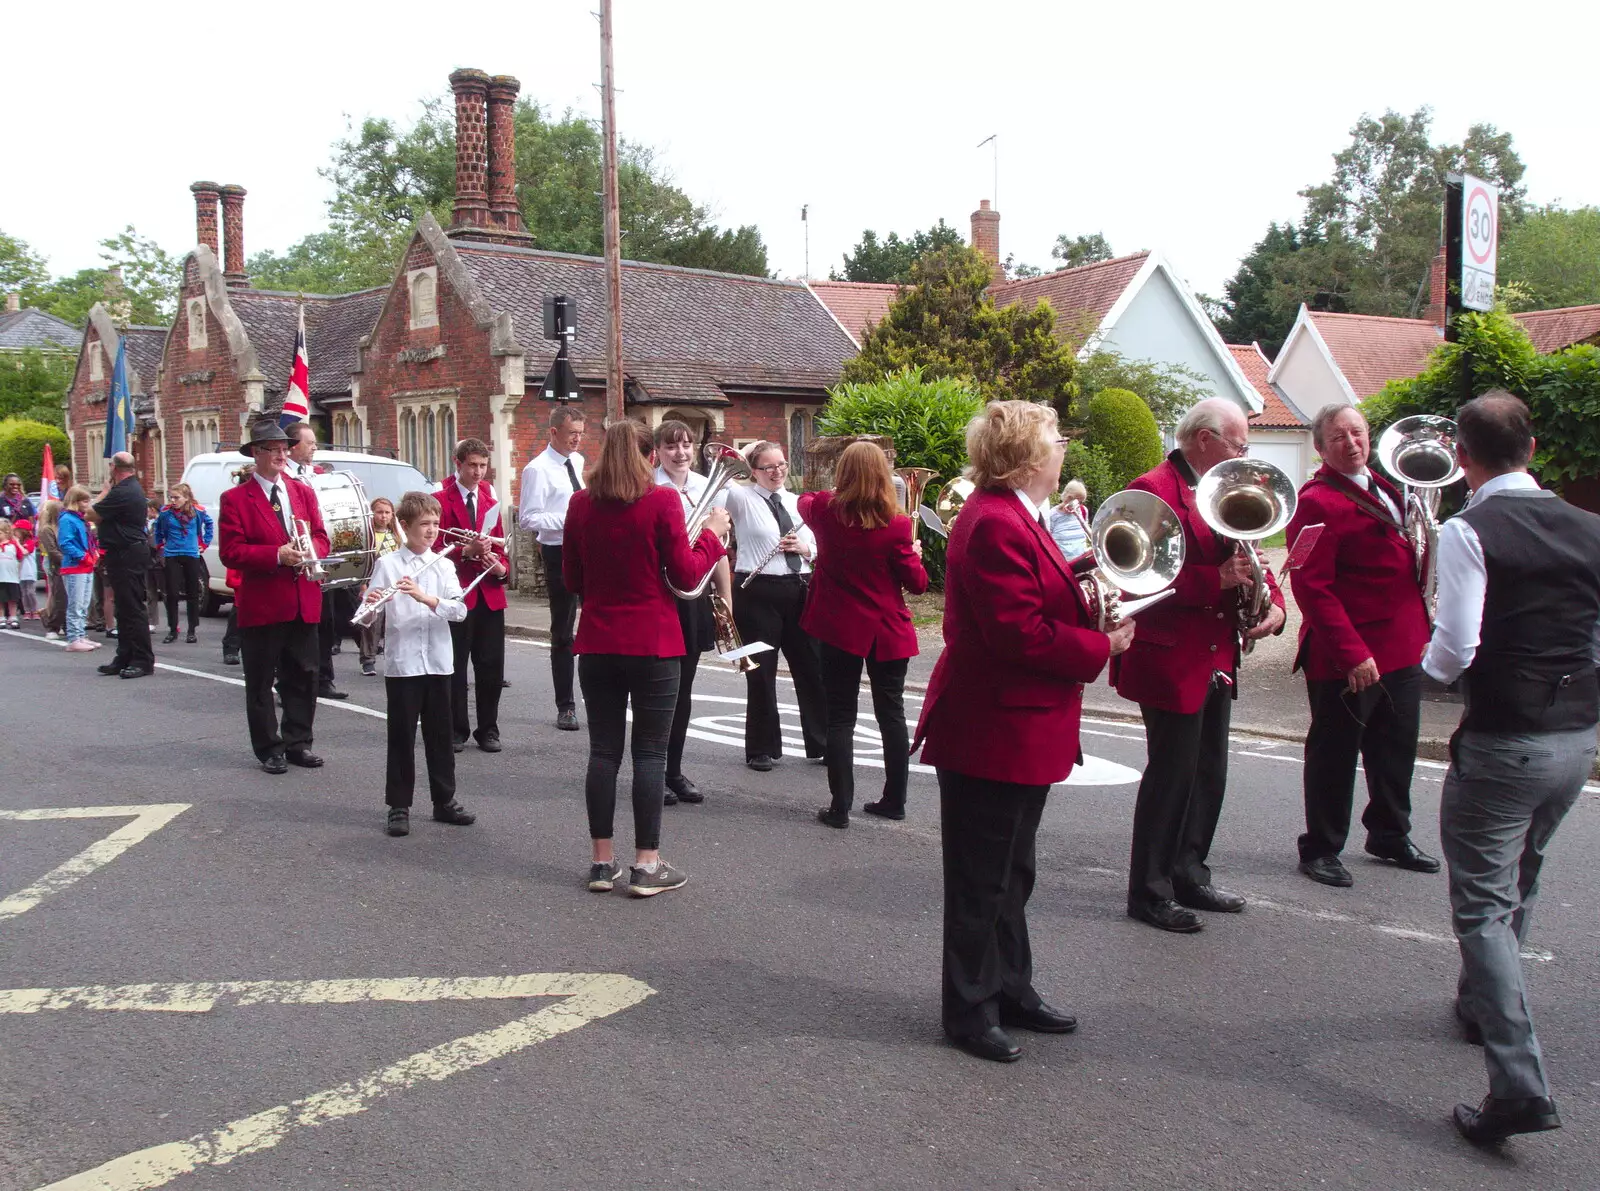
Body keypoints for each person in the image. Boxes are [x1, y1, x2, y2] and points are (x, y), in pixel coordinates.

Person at [914, 401, 1135, 1063]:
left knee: (1013, 872)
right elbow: (1018, 633)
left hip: (1020, 722)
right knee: (982, 879)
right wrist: (1101, 644)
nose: (1064, 446)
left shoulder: (1024, 515)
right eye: (1055, 439)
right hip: (992, 725)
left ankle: (1010, 986)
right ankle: (969, 1007)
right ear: (1028, 457)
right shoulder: (993, 523)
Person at [1419, 392, 1600, 1147]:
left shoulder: (1470, 528)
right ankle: (1482, 1003)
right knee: (1524, 870)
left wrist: (1420, 677)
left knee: (1482, 908)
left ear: (1463, 456)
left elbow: (1457, 645)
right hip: (1576, 737)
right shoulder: (1592, 528)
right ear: (1532, 447)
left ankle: (1519, 1085)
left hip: (1503, 738)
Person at [1114, 398, 1286, 933]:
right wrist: (1217, 582)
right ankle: (1149, 890)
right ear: (1205, 439)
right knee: (1171, 775)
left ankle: (1190, 871)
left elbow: (1252, 553)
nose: (1244, 455)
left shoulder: (1227, 487)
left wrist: (1274, 604)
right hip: (1170, 656)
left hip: (1217, 653)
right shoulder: (1152, 490)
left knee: (1209, 772)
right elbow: (1139, 581)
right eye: (1238, 445)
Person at [562, 420, 727, 898]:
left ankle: (601, 864)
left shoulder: (580, 504)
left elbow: (572, 579)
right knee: (650, 754)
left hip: (596, 642)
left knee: (603, 753)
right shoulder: (662, 500)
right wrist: (713, 534)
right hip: (654, 642)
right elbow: (688, 571)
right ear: (649, 456)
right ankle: (646, 865)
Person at [1284, 404, 1438, 888]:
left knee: (1396, 749)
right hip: (1348, 654)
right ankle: (1321, 847)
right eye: (1338, 438)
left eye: (1357, 433)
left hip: (1401, 646)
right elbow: (1311, 585)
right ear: (1320, 448)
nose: (1351, 443)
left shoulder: (1387, 486)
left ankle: (1390, 833)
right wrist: (1352, 652)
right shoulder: (1316, 501)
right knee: (1334, 753)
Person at [800, 441, 929, 827]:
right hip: (885, 631)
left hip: (838, 628)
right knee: (891, 716)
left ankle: (840, 807)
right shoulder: (898, 525)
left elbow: (803, 499)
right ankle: (895, 800)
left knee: (840, 717)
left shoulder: (823, 508)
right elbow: (919, 585)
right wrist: (915, 555)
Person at [218, 419, 330, 775]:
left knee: (304, 675)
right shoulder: (235, 498)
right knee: (261, 680)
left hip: (302, 597)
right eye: (274, 449)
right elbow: (231, 552)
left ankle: (299, 742)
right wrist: (275, 555)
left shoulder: (302, 491)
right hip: (263, 602)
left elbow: (322, 536)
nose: (283, 454)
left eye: (285, 448)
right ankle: (269, 748)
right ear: (256, 454)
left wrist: (311, 550)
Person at [363, 490, 475, 837]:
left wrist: (426, 598)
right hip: (404, 665)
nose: (431, 530)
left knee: (440, 736)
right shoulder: (389, 564)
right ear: (406, 525)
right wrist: (370, 602)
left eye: (435, 524)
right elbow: (368, 620)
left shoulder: (443, 565)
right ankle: (398, 806)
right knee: (401, 736)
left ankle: (445, 801)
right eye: (424, 524)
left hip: (439, 663)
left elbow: (460, 610)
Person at [720, 441, 827, 771]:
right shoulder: (740, 497)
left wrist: (805, 547)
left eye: (781, 464)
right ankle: (760, 748)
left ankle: (821, 742)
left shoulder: (798, 503)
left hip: (800, 588)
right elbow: (718, 480)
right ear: (754, 471)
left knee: (812, 667)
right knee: (761, 672)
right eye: (768, 466)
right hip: (757, 592)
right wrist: (747, 452)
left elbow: (821, 549)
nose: (778, 471)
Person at [653, 419, 734, 805]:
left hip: (694, 598)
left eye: (686, 445)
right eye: (672, 447)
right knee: (660, 690)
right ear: (659, 451)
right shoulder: (650, 487)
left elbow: (716, 548)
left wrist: (726, 599)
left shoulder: (709, 488)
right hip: (663, 596)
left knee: (683, 691)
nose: (681, 453)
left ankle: (674, 771)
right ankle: (652, 772)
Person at [437, 438, 510, 753]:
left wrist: (500, 569)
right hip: (457, 595)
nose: (479, 472)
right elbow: (433, 551)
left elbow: (501, 549)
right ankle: (456, 730)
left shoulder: (490, 500)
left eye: (483, 466)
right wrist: (465, 552)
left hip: (489, 594)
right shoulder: (440, 499)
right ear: (458, 464)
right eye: (472, 466)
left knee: (491, 667)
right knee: (455, 667)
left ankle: (488, 729)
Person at [519, 406, 586, 730]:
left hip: (587, 550)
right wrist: (571, 520)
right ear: (554, 432)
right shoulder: (537, 469)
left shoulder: (579, 462)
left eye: (580, 433)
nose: (577, 439)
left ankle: (598, 695)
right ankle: (566, 705)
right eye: (572, 432)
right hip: (557, 550)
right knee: (563, 630)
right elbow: (528, 518)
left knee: (596, 623)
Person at [284, 422, 347, 700]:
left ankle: (324, 678)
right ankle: (288, 680)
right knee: (294, 627)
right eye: (310, 443)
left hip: (321, 553)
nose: (314, 448)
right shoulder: (283, 477)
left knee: (325, 619)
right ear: (294, 446)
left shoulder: (317, 475)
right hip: (293, 558)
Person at [92, 452, 155, 679]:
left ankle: (142, 660)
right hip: (122, 553)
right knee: (123, 608)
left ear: (113, 468)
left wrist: (105, 490)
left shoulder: (123, 491)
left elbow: (92, 513)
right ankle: (125, 655)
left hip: (128, 553)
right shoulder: (129, 488)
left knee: (132, 607)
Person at [152, 483, 214, 645]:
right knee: (172, 593)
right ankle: (173, 629)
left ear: (186, 497)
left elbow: (209, 524)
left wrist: (205, 543)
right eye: (171, 497)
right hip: (172, 553)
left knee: (193, 593)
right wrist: (160, 544)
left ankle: (192, 630)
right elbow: (157, 528)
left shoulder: (197, 511)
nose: (173, 501)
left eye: (177, 497)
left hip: (191, 553)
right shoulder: (166, 513)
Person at [358, 497, 399, 677]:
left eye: (387, 512)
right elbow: (362, 563)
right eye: (379, 512)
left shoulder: (397, 536)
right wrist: (363, 585)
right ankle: (368, 659)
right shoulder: (367, 535)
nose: (383, 516)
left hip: (393, 584)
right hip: (373, 582)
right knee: (372, 622)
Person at [57, 487, 101, 653]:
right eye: (84, 501)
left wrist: (93, 553)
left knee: (83, 603)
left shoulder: (80, 519)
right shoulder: (68, 519)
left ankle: (80, 634)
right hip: (75, 566)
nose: (87, 504)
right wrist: (83, 556)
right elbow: (65, 543)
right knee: (76, 604)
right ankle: (74, 637)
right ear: (75, 502)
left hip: (85, 565)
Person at [37, 500, 67, 640]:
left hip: (68, 565)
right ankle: (52, 624)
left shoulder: (63, 526)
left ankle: (67, 625)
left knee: (70, 597)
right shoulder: (47, 529)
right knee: (58, 596)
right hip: (56, 565)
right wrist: (66, 561)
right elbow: (52, 551)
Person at [1047, 478, 1092, 561]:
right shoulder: (1052, 514)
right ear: (1068, 498)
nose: (1079, 505)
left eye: (1081, 502)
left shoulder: (1083, 510)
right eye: (1078, 501)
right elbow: (1048, 539)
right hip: (1062, 560)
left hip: (1081, 560)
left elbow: (1085, 532)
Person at [0, 518, 27, 628]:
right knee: (1, 599)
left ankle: (13, 617)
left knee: (12, 599)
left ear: (7, 533)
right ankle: (1, 617)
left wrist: (16, 542)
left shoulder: (13, 545)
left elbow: (21, 556)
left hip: (11, 577)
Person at [14, 518, 39, 622]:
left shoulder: (30, 542)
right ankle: (27, 610)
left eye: (17, 531)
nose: (15, 533)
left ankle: (35, 610)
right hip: (20, 572)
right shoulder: (17, 543)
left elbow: (24, 552)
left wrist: (17, 543)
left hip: (29, 571)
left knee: (30, 592)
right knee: (23, 592)